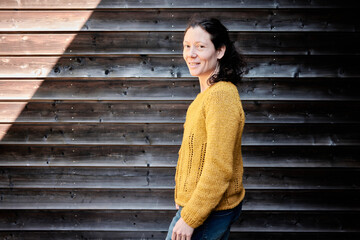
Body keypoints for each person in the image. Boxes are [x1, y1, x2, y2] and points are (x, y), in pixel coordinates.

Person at [165, 17, 247, 240]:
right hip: (197, 205)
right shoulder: (205, 97)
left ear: (219, 51)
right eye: (187, 46)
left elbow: (219, 168)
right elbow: (192, 154)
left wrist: (190, 217)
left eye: (200, 47)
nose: (191, 54)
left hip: (208, 211)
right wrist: (182, 195)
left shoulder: (221, 96)